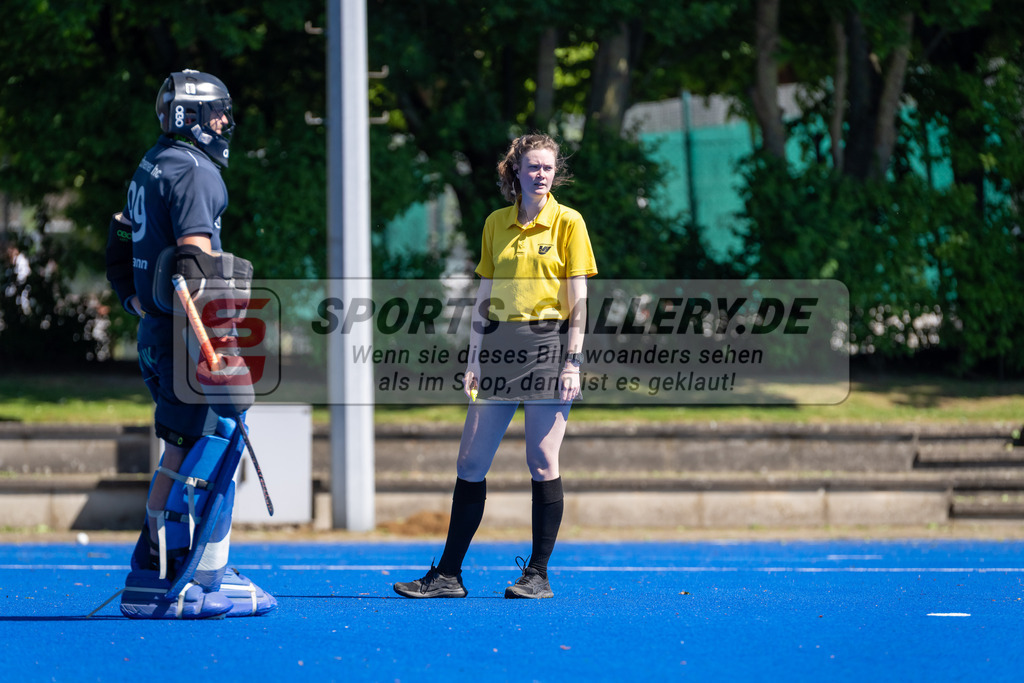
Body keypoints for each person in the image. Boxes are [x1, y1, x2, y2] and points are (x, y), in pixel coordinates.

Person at [394, 133, 597, 600]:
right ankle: (448, 576)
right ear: (516, 172)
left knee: (541, 460)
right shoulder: (494, 223)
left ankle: (537, 575)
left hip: (547, 346)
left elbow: (579, 301)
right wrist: (474, 356)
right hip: (498, 349)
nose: (541, 175)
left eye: (548, 167)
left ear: (555, 173)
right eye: (533, 167)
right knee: (470, 461)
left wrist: (572, 361)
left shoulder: (569, 222)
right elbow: (484, 295)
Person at [105, 69, 275, 619]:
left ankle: (172, 570)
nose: (225, 122)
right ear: (192, 116)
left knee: (184, 447)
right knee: (210, 449)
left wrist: (135, 303)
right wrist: (220, 347)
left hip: (156, 333)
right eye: (218, 112)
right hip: (185, 339)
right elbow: (196, 270)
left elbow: (119, 238)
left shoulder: (153, 161)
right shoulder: (197, 172)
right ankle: (183, 577)